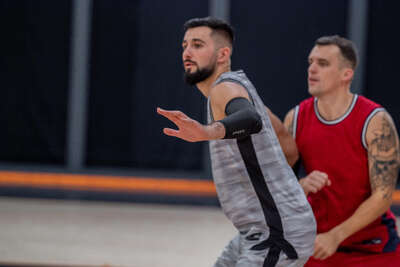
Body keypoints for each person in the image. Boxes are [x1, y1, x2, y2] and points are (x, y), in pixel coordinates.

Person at [157, 17, 315, 267]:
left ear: (223, 54)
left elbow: (251, 119)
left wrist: (208, 131)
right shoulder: (242, 88)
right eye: (184, 45)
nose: (187, 52)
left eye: (197, 45)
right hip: (261, 229)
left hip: (276, 233)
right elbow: (286, 144)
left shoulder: (224, 89)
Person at [284, 35, 400, 266]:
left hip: (372, 247)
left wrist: (336, 235)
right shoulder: (295, 119)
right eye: (311, 62)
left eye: (323, 63)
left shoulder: (376, 121)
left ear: (346, 74)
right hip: (317, 245)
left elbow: (383, 195)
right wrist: (301, 185)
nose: (312, 69)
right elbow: (277, 189)